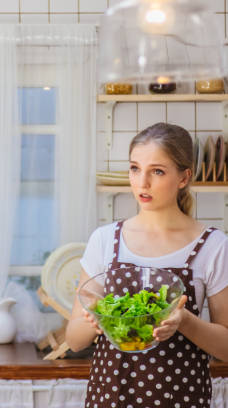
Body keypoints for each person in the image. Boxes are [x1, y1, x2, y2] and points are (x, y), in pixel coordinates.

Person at [66, 122, 228, 407]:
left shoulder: (213, 245)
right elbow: (75, 340)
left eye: (157, 171)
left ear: (183, 177)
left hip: (181, 398)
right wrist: (98, 320)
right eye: (134, 168)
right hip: (110, 396)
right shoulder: (104, 240)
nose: (142, 183)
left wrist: (185, 321)